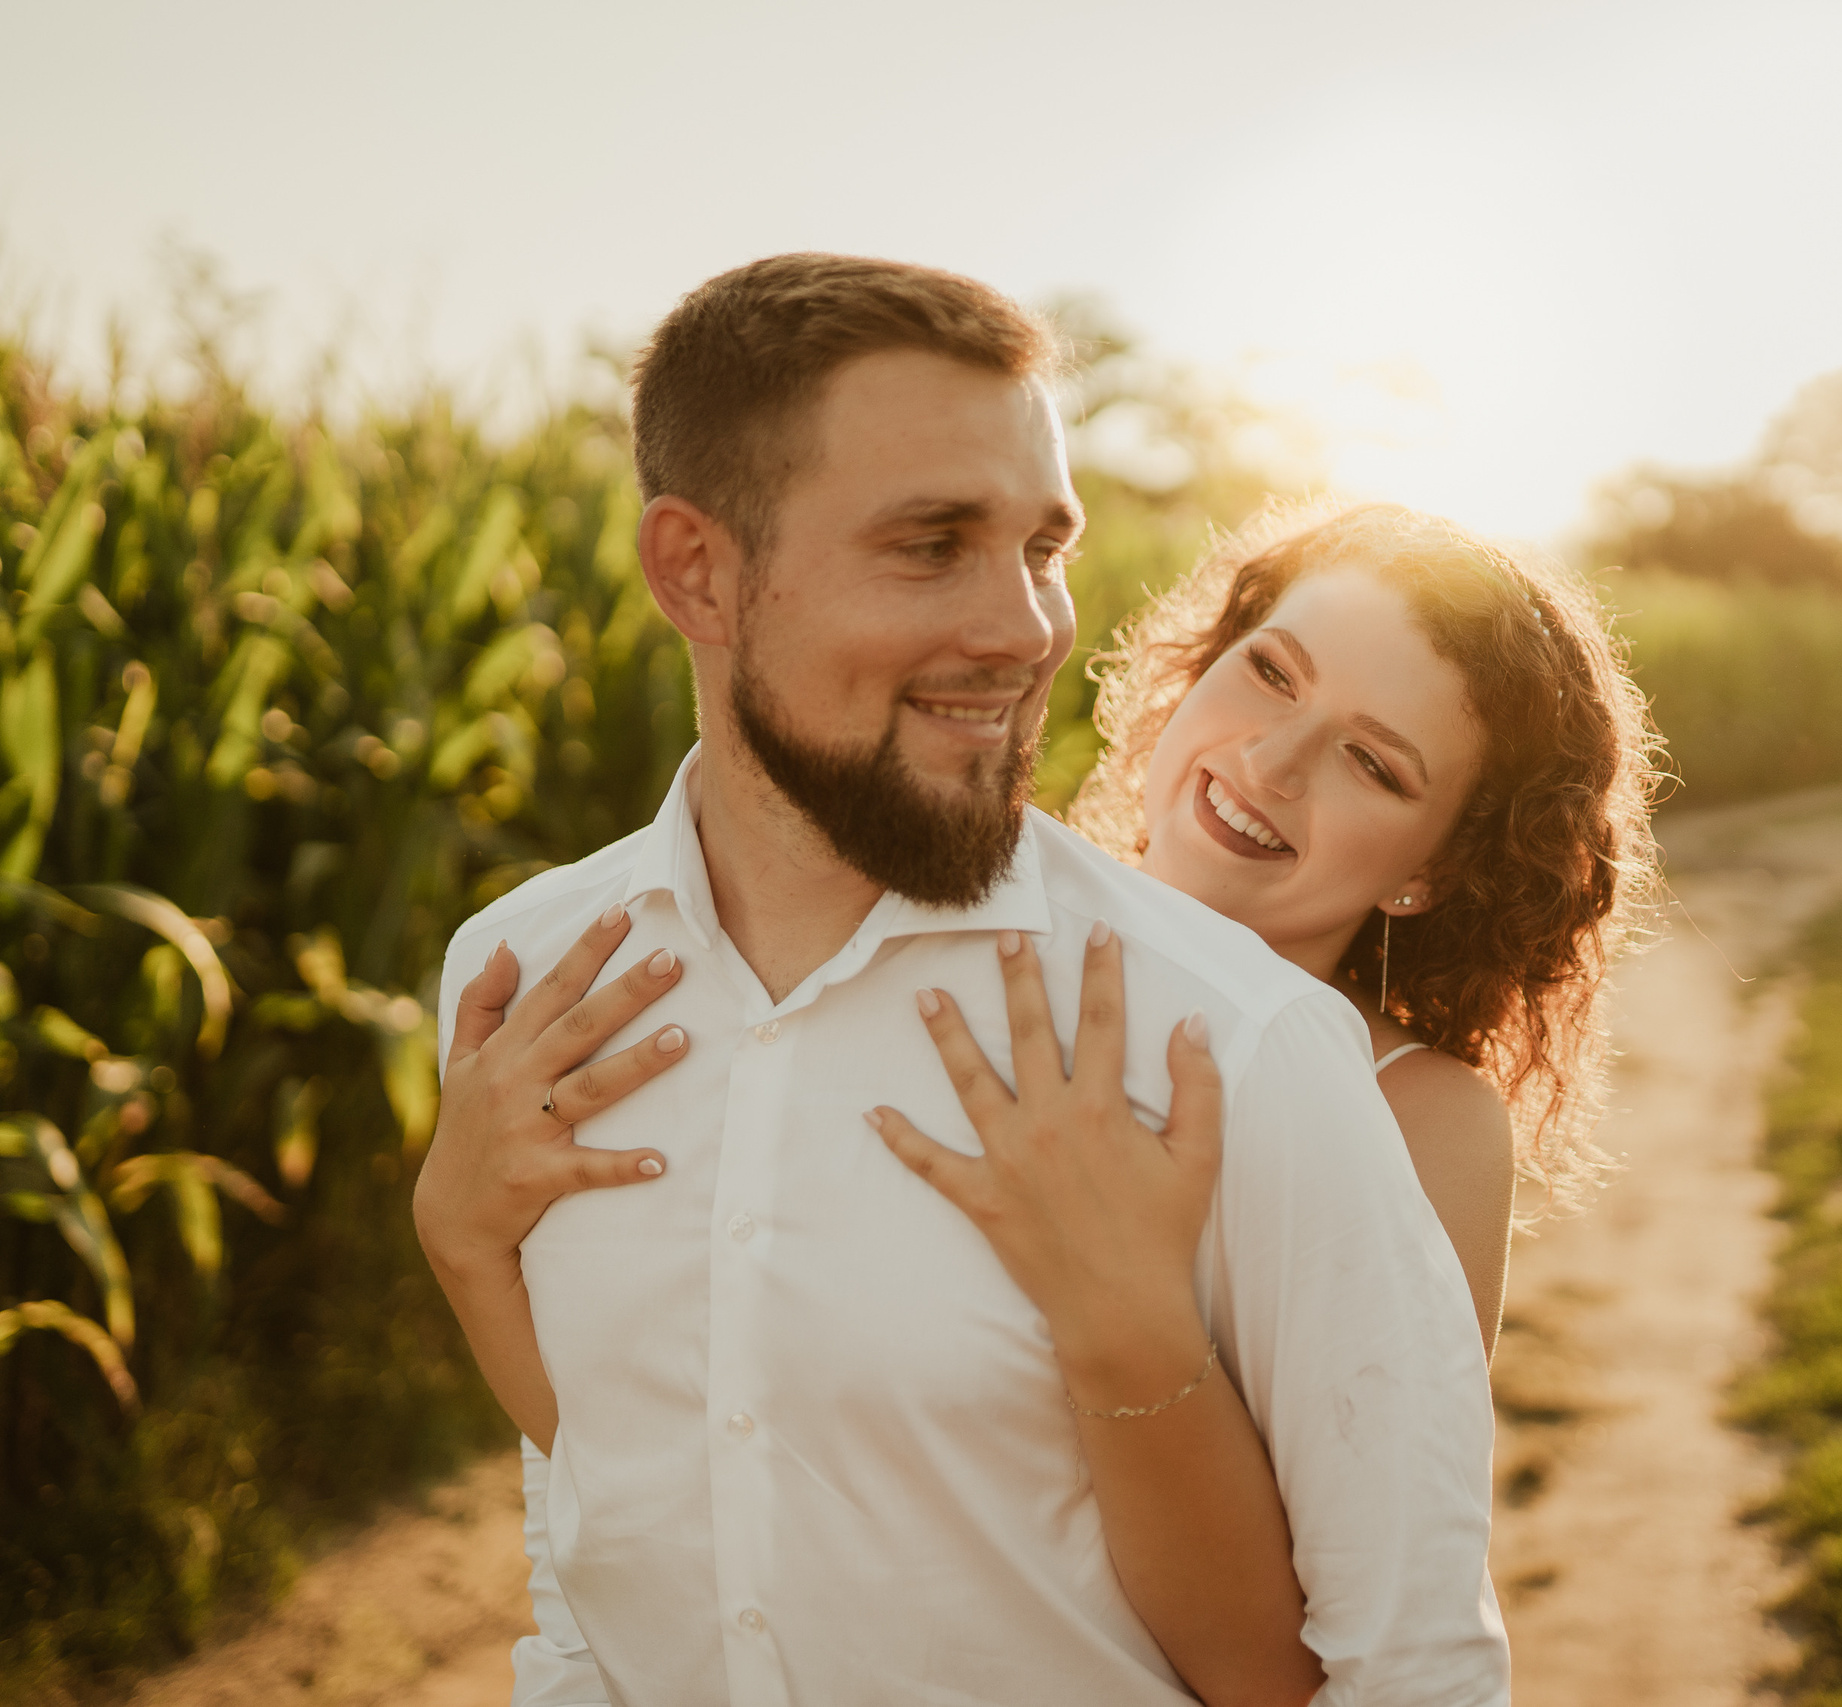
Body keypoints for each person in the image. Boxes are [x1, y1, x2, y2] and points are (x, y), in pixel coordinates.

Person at [414, 254, 1509, 1707]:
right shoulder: (527, 978)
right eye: (933, 544)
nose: (1026, 624)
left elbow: (1409, 1668)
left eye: (1043, 547)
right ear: (697, 571)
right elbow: (607, 1524)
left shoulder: (1238, 1049)